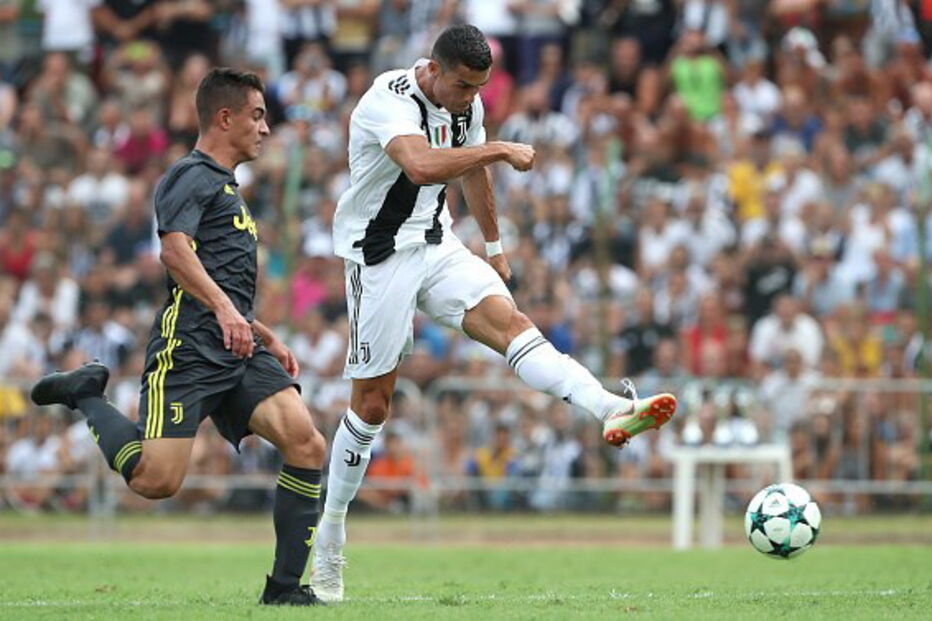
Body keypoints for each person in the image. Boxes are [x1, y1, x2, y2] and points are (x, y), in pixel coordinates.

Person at [312, 24, 678, 602]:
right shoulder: (387, 97)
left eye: (477, 88)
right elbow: (425, 167)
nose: (469, 98)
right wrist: (501, 146)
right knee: (373, 404)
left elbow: (470, 170)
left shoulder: (468, 104)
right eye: (462, 86)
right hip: (379, 257)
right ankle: (330, 535)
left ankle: (608, 406)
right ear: (433, 70)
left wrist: (495, 245)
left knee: (511, 324)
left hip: (437, 244)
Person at [30, 68, 328, 607]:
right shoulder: (190, 175)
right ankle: (86, 395)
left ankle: (285, 590)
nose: (265, 129)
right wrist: (225, 312)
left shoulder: (227, 189)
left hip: (237, 345)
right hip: (189, 347)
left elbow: (220, 277)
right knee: (155, 482)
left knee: (307, 444)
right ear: (225, 117)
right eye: (257, 116)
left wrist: (261, 330)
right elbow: (174, 252)